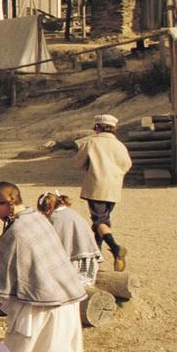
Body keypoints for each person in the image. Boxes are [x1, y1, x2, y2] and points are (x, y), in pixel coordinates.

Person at [0, 182, 88, 352]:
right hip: (64, 292)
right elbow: (29, 259)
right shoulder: (36, 218)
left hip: (43, 303)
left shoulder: (17, 231)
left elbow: (14, 267)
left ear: (6, 204)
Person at [72, 114, 132, 270]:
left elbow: (77, 164)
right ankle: (96, 254)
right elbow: (127, 165)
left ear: (97, 127)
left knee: (100, 221)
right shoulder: (120, 145)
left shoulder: (91, 142)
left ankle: (116, 248)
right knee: (103, 220)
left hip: (96, 186)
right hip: (113, 188)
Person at [36, 191, 102, 288]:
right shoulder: (72, 213)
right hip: (90, 263)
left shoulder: (55, 219)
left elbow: (52, 247)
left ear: (48, 209)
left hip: (75, 265)